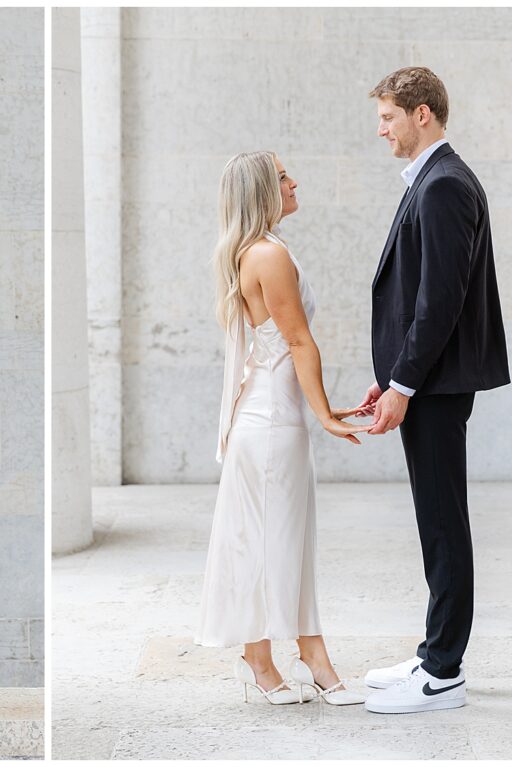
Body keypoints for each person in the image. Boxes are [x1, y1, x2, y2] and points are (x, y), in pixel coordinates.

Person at [360, 67, 509, 714]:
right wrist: (392, 375)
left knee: (444, 523)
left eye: (389, 116)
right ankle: (433, 651)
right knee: (435, 520)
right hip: (429, 383)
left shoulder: (444, 185)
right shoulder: (433, 180)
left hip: (437, 387)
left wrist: (404, 383)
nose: (381, 127)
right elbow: (423, 296)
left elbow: (439, 301)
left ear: (424, 114)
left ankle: (444, 669)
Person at [196, 151, 368, 706]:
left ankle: (266, 657)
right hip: (272, 422)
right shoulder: (267, 255)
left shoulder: (257, 251)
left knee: (273, 539)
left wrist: (320, 408)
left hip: (270, 416)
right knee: (277, 540)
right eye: (283, 177)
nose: (295, 181)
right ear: (261, 193)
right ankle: (303, 657)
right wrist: (323, 414)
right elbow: (297, 342)